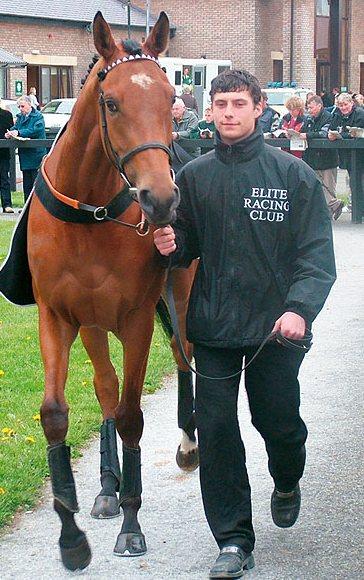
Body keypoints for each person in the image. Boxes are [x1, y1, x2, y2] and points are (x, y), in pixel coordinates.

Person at [154, 69, 336, 579]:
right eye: (220, 104)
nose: (228, 112)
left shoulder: (292, 175)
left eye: (238, 103)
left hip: (276, 330)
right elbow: (186, 244)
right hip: (212, 328)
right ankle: (233, 539)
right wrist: (171, 246)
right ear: (209, 111)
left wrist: (299, 309)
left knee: (276, 421)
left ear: (258, 109)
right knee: (214, 431)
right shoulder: (194, 177)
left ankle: (286, 476)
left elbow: (317, 256)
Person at [299, 95, 343, 220]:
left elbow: (324, 133)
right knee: (316, 185)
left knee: (329, 186)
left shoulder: (328, 117)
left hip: (327, 158)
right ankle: (333, 205)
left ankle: (329, 210)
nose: (309, 110)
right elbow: (302, 130)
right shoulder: (308, 119)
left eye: (311, 107)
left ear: (319, 106)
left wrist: (307, 135)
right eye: (308, 107)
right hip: (311, 159)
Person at [328, 92, 364, 222]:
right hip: (347, 156)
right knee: (354, 184)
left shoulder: (360, 114)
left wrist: (346, 134)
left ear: (352, 103)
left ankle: (359, 213)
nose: (343, 108)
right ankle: (358, 211)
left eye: (346, 105)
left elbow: (357, 132)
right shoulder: (337, 114)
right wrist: (331, 135)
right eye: (341, 105)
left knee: (360, 183)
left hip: (360, 154)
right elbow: (332, 128)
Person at [5, 95, 47, 202]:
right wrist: (10, 133)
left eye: (22, 106)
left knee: (36, 182)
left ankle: (36, 206)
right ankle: (26, 206)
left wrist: (19, 132)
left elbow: (35, 130)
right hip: (25, 154)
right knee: (27, 183)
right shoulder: (20, 117)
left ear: (29, 105)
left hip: (36, 153)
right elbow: (16, 127)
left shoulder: (38, 116)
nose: (21, 109)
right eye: (19, 107)